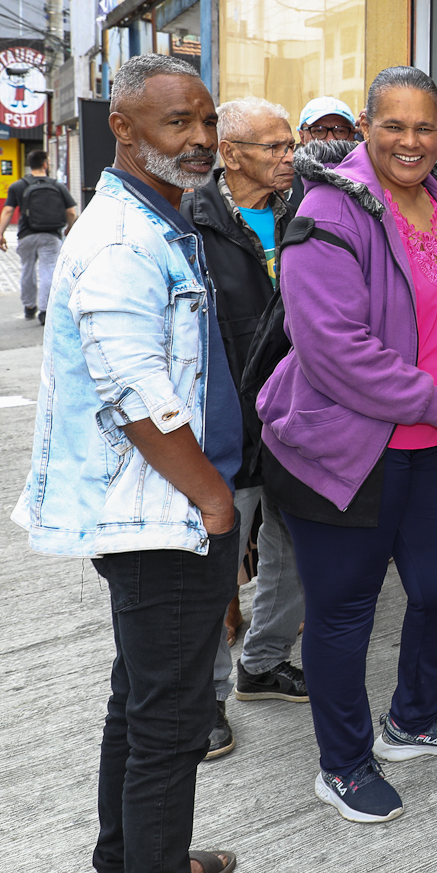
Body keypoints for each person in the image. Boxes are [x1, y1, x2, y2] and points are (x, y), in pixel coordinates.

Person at [13, 54, 240, 873]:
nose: (201, 139)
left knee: (139, 704)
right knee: (170, 721)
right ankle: (151, 872)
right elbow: (136, 392)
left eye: (207, 121)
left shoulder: (162, 217)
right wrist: (215, 502)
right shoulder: (119, 239)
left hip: (169, 510)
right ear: (124, 126)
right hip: (163, 516)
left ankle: (130, 862)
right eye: (179, 122)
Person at [257, 66, 437, 824]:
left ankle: (415, 718)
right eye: (393, 124)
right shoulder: (327, 210)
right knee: (344, 612)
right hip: (343, 451)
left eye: (426, 126)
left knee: (435, 591)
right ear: (364, 128)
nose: (411, 140)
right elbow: (334, 348)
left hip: (435, 445)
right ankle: (344, 763)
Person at [182, 97, 310, 762]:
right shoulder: (191, 219)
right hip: (228, 422)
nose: (290, 156)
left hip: (298, 420)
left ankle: (263, 662)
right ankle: (205, 697)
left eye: (291, 144)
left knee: (295, 551)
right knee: (217, 565)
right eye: (274, 147)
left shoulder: (305, 209)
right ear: (230, 152)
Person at [0, 147, 76, 323]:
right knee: (48, 271)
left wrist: (1, 233)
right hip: (51, 236)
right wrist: (69, 228)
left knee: (27, 269)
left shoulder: (18, 185)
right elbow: (71, 212)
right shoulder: (57, 185)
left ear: (29, 165)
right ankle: (45, 310)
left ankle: (29, 306)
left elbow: (8, 210)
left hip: (26, 235)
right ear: (45, 164)